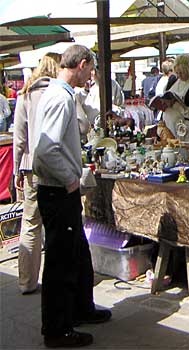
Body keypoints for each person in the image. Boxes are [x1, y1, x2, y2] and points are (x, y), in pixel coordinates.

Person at [32, 44, 111, 348]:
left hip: (60, 190)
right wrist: (69, 179)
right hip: (56, 191)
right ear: (81, 64)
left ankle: (81, 309)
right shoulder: (60, 98)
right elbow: (46, 149)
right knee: (60, 262)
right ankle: (57, 329)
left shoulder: (62, 95)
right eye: (91, 68)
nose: (92, 74)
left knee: (77, 253)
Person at [13, 52, 61, 296]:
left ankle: (26, 281)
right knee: (58, 224)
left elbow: (19, 138)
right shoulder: (59, 93)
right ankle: (59, 279)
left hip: (31, 166)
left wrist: (15, 171)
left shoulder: (25, 95)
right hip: (56, 167)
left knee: (30, 224)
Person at [149, 54, 189, 138]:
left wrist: (179, 107)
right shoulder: (172, 81)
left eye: (182, 72)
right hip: (168, 128)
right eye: (177, 72)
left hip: (185, 131)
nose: (179, 75)